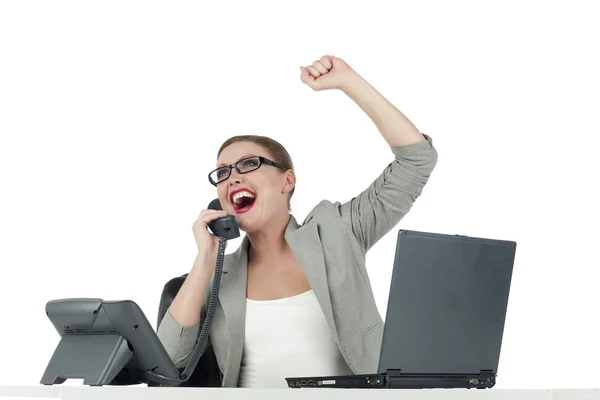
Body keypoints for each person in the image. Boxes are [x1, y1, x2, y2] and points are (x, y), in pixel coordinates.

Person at [157, 55, 438, 388]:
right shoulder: (219, 276)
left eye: (248, 164)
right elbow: (168, 361)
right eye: (223, 172)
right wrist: (206, 258)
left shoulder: (336, 232)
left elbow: (416, 161)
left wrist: (349, 81)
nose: (232, 178)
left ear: (286, 181)